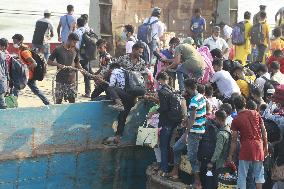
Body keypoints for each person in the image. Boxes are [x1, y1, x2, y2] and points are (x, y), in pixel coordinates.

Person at [227, 96, 268, 189]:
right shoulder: (256, 113)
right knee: (259, 177)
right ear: (245, 103)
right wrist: (266, 148)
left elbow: (234, 140)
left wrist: (230, 155)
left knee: (242, 177)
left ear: (234, 106)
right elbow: (264, 132)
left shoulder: (236, 119)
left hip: (246, 148)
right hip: (258, 147)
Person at [12, 34, 50, 105]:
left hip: (27, 75)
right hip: (29, 75)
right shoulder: (22, 49)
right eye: (13, 42)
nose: (14, 43)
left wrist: (25, 69)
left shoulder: (24, 52)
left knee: (16, 88)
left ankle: (13, 104)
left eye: (15, 42)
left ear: (21, 41)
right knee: (35, 90)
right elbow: (25, 60)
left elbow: (34, 63)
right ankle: (47, 103)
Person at [48, 33, 84, 104]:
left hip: (71, 80)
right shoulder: (58, 49)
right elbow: (49, 61)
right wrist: (58, 64)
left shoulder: (76, 50)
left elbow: (77, 63)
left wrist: (83, 71)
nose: (75, 44)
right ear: (69, 40)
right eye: (74, 42)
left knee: (72, 100)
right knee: (58, 100)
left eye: (76, 43)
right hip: (60, 79)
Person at [183, 78, 206, 189]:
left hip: (194, 132)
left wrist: (186, 133)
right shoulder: (201, 97)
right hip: (201, 130)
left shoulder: (193, 101)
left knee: (192, 157)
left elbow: (192, 120)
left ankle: (197, 183)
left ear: (188, 88)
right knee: (195, 156)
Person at [207, 110, 231, 182]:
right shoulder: (228, 129)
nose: (215, 120)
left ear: (219, 119)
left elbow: (218, 150)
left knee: (218, 183)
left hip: (220, 163)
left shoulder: (221, 134)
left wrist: (211, 162)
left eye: (215, 119)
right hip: (226, 162)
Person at [74, 17, 92, 98]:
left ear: (77, 24)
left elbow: (75, 45)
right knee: (86, 74)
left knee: (75, 73)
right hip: (87, 56)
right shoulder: (88, 30)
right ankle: (88, 92)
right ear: (85, 23)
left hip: (78, 56)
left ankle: (74, 90)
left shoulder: (76, 32)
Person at [0, 38, 9, 109]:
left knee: (2, 101)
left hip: (1, 79)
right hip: (3, 79)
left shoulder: (2, 54)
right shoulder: (4, 54)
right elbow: (6, 68)